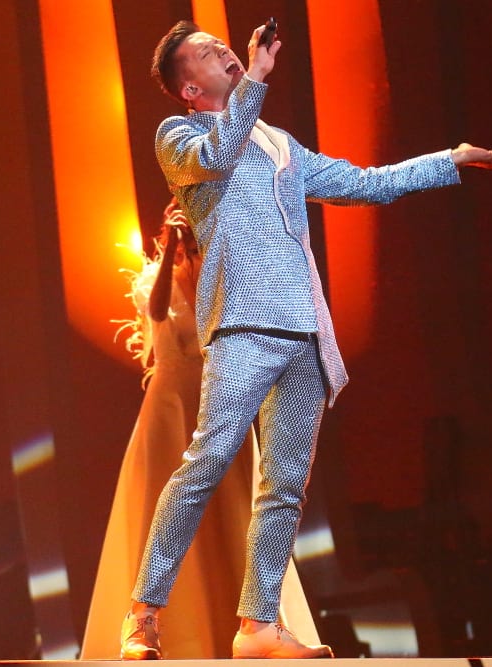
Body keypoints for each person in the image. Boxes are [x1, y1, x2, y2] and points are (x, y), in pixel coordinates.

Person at [119, 19, 492, 661]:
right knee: (208, 463)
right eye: (205, 53)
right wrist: (255, 75)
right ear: (189, 89)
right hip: (244, 324)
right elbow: (218, 156)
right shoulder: (180, 136)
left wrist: (449, 160)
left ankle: (258, 626)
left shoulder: (278, 144)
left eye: (218, 44)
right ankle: (144, 614)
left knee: (284, 486)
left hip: (304, 329)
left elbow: (362, 183)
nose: (222, 49)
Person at [82, 201, 321, 659]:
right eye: (184, 233)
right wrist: (173, 248)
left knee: (238, 510)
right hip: (170, 407)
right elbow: (157, 314)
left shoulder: (223, 274)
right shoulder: (152, 281)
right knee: (169, 505)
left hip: (219, 398)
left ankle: (260, 626)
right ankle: (153, 626)